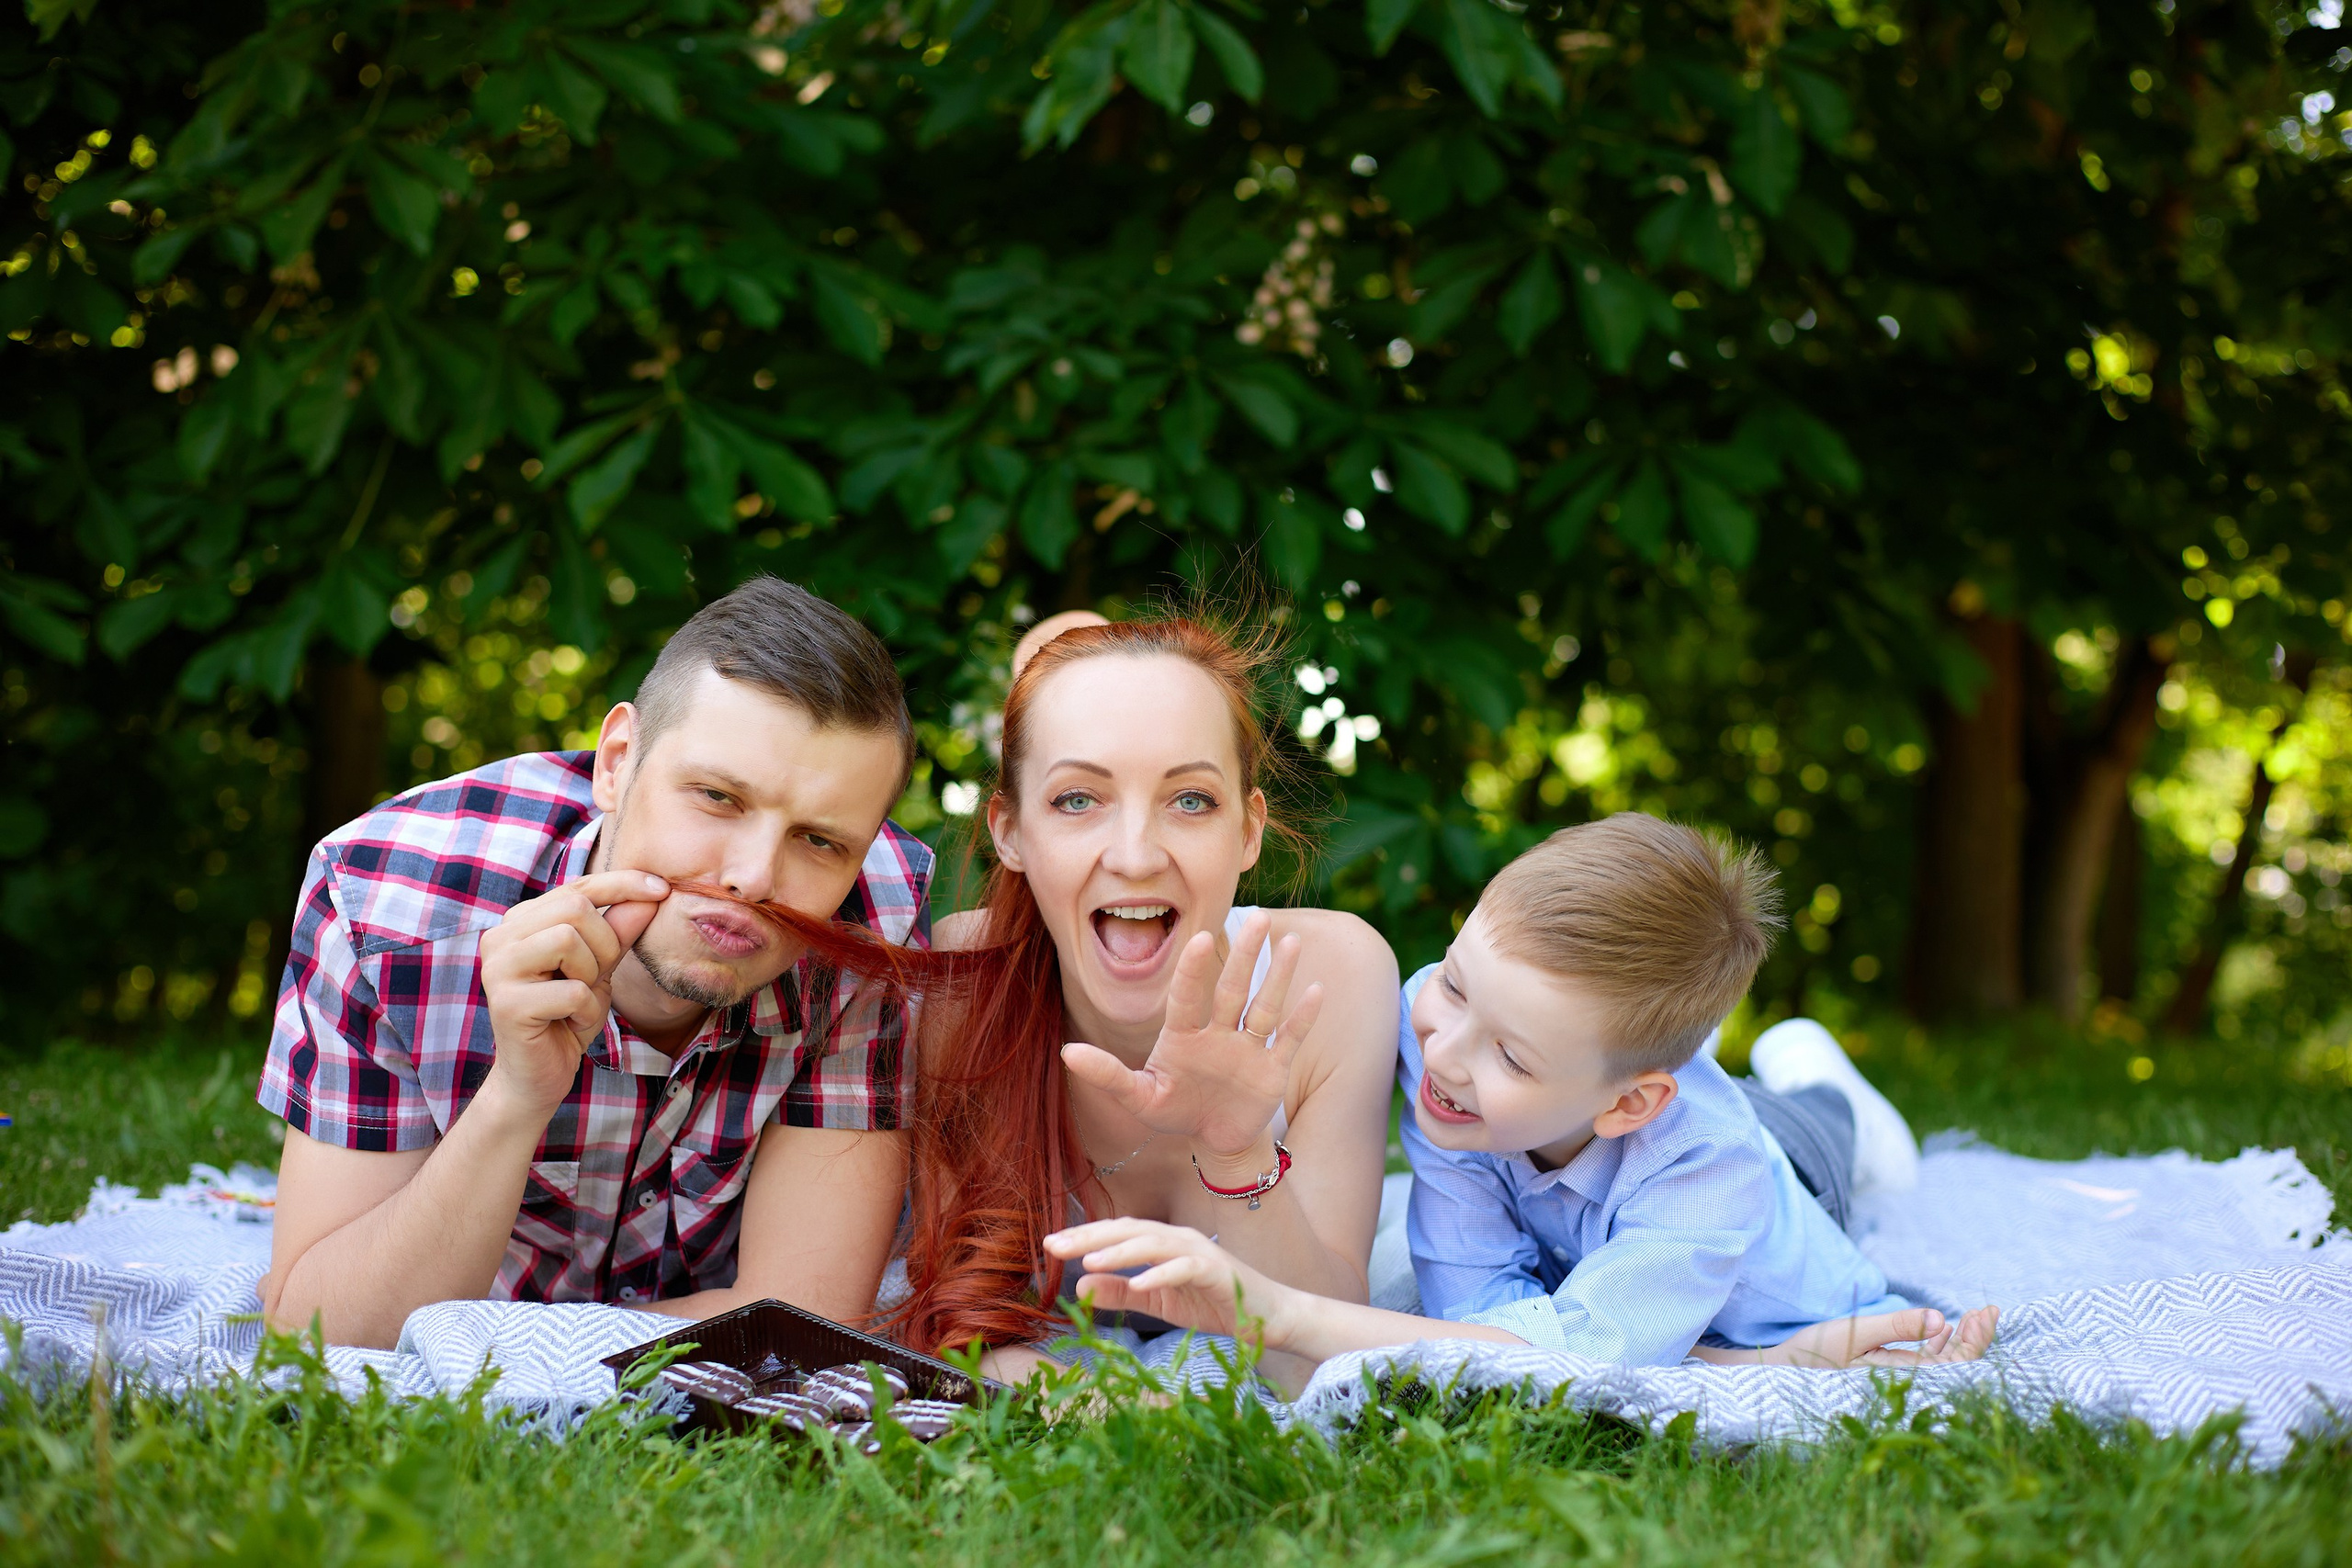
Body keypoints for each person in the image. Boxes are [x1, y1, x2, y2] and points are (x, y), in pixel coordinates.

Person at [1045, 814, 1999, 1383]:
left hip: (1790, 1163)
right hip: (1605, 1120)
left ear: (1630, 1104)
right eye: (1458, 983)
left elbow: (1572, 1357)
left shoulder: (1718, 1180)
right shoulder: (1440, 1045)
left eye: (1509, 1051)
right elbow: (1477, 1306)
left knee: (1831, 1133)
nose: (1442, 1051)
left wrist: (1758, 1363)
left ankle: (1825, 1081)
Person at [257, 578, 932, 1348]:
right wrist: (514, 1097)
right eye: (717, 797)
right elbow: (314, 1334)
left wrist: (508, 1348)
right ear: (616, 762)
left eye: (820, 841)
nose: (753, 877)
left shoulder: (873, 923)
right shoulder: (387, 905)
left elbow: (802, 1323)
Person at [903, 612, 1403, 1390]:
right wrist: (1099, 1414)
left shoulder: (1330, 980)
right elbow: (957, 1324)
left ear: (1249, 830)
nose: (1135, 856)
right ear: (1010, 831)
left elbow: (1316, 1368)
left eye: (1191, 800)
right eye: (1077, 799)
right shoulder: (961, 985)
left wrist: (1238, 1153)